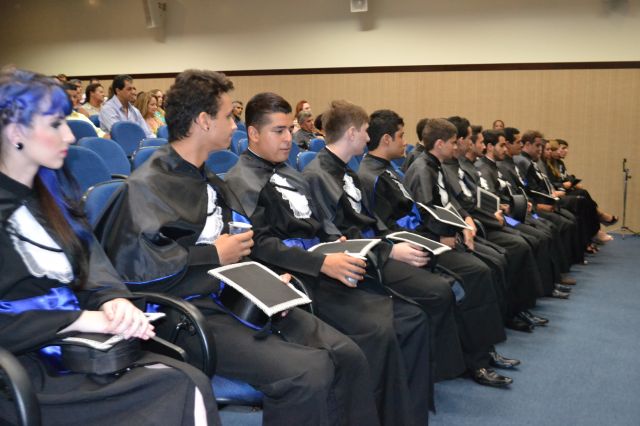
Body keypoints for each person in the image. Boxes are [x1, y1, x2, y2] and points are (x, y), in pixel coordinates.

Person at [100, 72, 378, 426]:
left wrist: (265, 279)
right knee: (308, 372)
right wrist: (213, 255)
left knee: (347, 354)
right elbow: (135, 269)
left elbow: (245, 246)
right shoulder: (147, 186)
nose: (235, 125)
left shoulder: (208, 178)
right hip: (186, 313)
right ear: (204, 121)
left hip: (236, 295)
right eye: (228, 116)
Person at [0, 68, 218, 425]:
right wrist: (82, 319)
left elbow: (94, 266)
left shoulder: (52, 198)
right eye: (55, 124)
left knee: (186, 381)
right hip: (23, 372)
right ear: (16, 132)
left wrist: (112, 300)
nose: (69, 135)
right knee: (176, 388)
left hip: (79, 351)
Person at [225, 93, 432, 425]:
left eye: (289, 129)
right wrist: (322, 263)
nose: (288, 138)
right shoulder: (240, 181)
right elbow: (261, 246)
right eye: (278, 131)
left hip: (321, 263)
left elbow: (320, 223)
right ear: (253, 133)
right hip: (294, 276)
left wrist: (335, 245)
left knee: (411, 318)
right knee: (377, 330)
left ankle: (402, 415)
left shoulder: (290, 172)